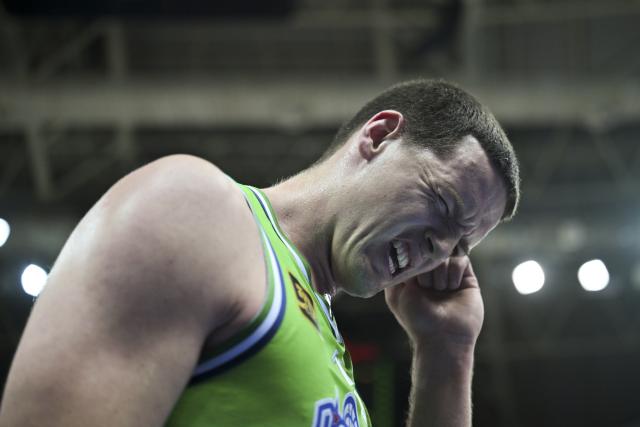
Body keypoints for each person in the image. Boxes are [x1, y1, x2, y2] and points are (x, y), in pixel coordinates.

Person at [0, 79, 519, 427]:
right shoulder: (199, 210)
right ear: (379, 136)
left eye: (460, 243)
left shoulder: (325, 336)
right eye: (443, 205)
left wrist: (447, 352)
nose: (440, 249)